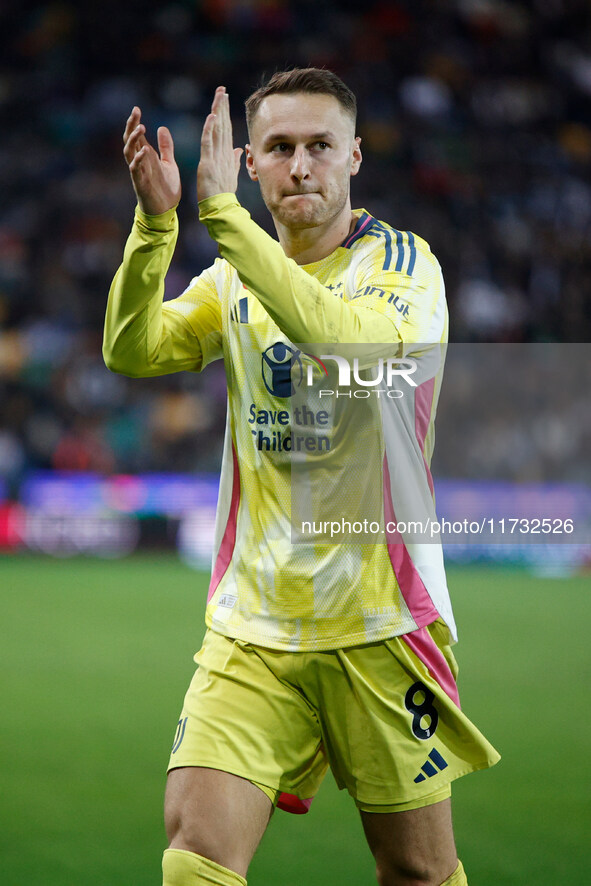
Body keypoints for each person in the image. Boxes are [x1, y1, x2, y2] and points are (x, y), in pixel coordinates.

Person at [104, 68, 500, 886]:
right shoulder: (233, 277)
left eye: (319, 146)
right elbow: (132, 349)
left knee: (418, 873)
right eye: (279, 148)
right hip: (253, 624)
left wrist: (222, 219)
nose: (299, 167)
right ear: (251, 163)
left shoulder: (404, 267)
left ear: (354, 156)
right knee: (194, 859)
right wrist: (154, 228)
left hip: (379, 621)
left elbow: (342, 341)